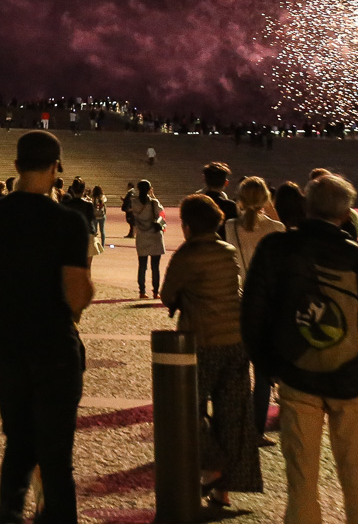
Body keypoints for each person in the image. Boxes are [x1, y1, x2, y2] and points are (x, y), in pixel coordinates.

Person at [242, 174, 358, 524]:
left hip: (297, 375)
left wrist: (270, 365)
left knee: (301, 483)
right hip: (351, 378)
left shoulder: (276, 249)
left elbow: (252, 315)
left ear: (307, 205)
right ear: (347, 213)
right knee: (357, 482)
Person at [0, 132, 93, 524]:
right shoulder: (69, 222)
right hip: (53, 345)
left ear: (15, 166)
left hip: (5, 342)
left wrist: (2, 287)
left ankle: (10, 517)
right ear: (56, 168)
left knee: (18, 444)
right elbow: (77, 293)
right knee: (55, 456)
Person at [159, 194, 261, 507]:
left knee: (188, 408)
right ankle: (224, 490)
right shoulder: (228, 250)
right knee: (233, 413)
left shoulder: (186, 255)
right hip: (235, 342)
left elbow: (167, 295)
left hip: (202, 342)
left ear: (187, 226)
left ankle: (214, 465)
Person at [224, 176, 284, 442]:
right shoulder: (277, 229)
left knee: (237, 371)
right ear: (266, 200)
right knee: (263, 375)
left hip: (239, 302)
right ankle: (257, 429)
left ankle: (233, 425)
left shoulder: (229, 227)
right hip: (268, 307)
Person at [129, 181, 166, 299]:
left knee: (142, 266)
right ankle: (156, 292)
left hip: (141, 235)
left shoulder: (134, 202)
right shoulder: (154, 202)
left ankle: (142, 291)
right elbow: (161, 216)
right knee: (155, 266)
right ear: (150, 189)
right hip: (155, 236)